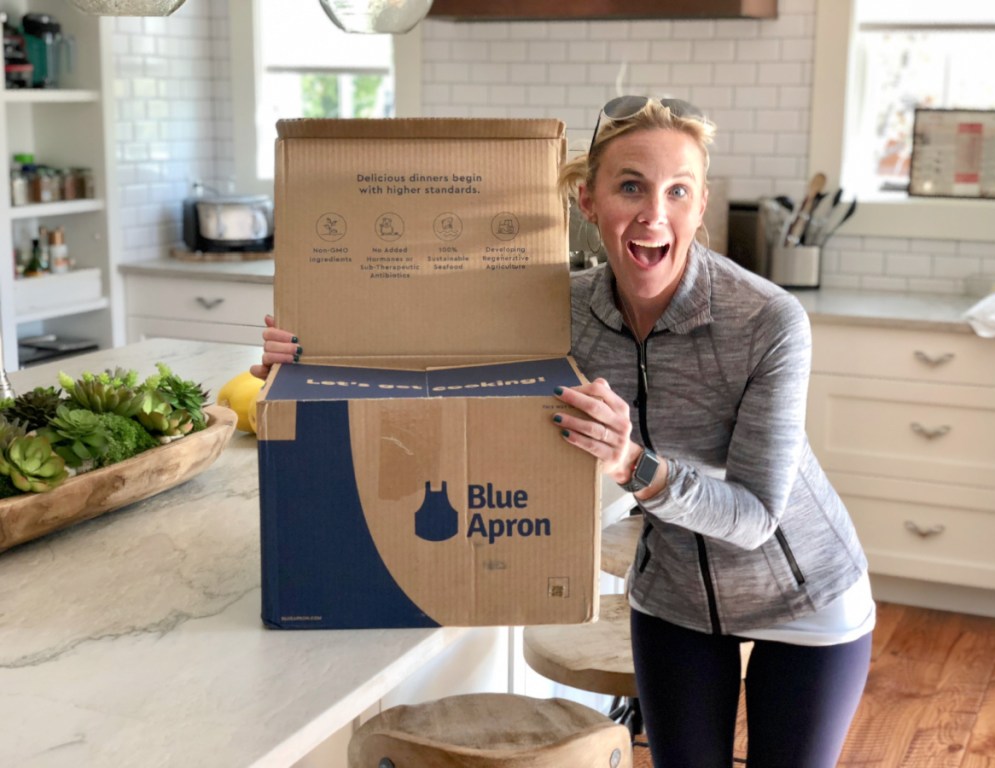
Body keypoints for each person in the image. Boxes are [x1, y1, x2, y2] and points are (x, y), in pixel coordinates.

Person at [252, 96, 875, 768]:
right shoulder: (557, 312)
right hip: (675, 597)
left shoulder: (767, 322)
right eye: (630, 186)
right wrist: (310, 357)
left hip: (804, 593)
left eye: (678, 191)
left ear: (700, 208)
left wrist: (633, 463)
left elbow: (755, 515)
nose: (653, 213)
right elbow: (424, 357)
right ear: (587, 200)